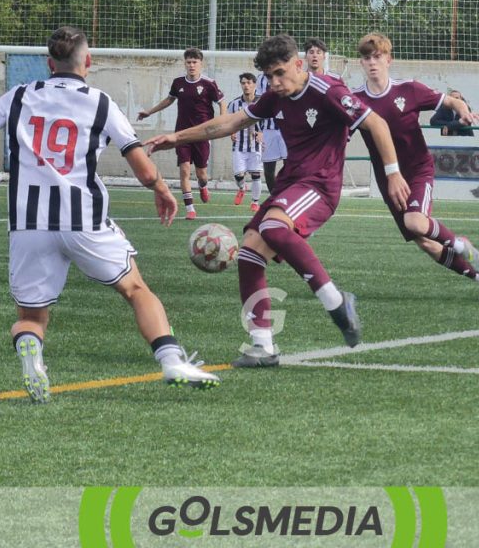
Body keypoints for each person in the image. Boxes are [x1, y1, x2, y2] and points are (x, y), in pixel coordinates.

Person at [0, 26, 220, 403]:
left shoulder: (20, 95)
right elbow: (141, 167)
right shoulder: (100, 102)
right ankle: (171, 360)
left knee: (29, 318)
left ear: (48, 63)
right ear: (87, 62)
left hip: (30, 223)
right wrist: (161, 190)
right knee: (136, 290)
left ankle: (33, 355)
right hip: (85, 221)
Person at [146, 34, 401, 367]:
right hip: (290, 184)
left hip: (320, 185)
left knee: (272, 227)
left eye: (281, 73)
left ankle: (337, 303)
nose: (275, 82)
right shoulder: (274, 97)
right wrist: (176, 137)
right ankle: (263, 345)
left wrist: (393, 173)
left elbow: (377, 123)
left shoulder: (329, 91)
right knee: (250, 252)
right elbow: (230, 122)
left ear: (299, 64)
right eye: (270, 76)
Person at [352, 32, 479, 301]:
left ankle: (459, 243)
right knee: (426, 243)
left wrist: (463, 110)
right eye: (366, 57)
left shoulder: (409, 90)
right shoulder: (354, 100)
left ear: (389, 60)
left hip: (417, 170)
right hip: (388, 181)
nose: (372, 62)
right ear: (361, 63)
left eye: (377, 56)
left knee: (415, 221)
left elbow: (450, 101)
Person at [137, 47, 226, 220]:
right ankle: (190, 209)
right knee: (184, 170)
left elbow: (222, 102)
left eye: (195, 62)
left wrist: (222, 123)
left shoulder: (209, 83)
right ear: (185, 64)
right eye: (189, 62)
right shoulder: (178, 83)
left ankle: (203, 186)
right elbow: (169, 99)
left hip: (202, 134)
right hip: (182, 134)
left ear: (201, 64)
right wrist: (149, 112)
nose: (192, 65)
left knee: (202, 174)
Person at [228, 73, 264, 212]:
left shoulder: (262, 102)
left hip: (256, 145)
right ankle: (242, 188)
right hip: (239, 145)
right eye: (243, 83)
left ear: (255, 84)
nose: (246, 85)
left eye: (249, 83)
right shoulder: (234, 104)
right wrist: (231, 132)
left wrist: (262, 133)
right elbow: (228, 121)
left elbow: (268, 121)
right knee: (238, 175)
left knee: (256, 174)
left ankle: (255, 202)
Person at [255, 72, 286, 193]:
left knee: (290, 166)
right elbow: (258, 103)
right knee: (268, 171)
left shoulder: (287, 74)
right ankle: (274, 198)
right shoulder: (260, 79)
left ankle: (287, 196)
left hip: (287, 129)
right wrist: (259, 130)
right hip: (268, 130)